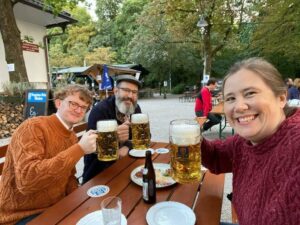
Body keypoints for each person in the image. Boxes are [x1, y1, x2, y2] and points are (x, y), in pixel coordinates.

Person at [201, 58, 300, 225]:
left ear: (281, 98)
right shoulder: (242, 142)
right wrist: (190, 138)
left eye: (250, 93)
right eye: (231, 98)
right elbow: (217, 157)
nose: (239, 106)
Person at [0, 84, 97, 225]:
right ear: (58, 103)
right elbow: (27, 181)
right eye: (73, 104)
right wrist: (79, 149)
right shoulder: (33, 127)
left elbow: (69, 176)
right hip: (20, 215)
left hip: (56, 205)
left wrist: (79, 201)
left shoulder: (71, 136)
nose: (78, 110)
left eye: (83, 107)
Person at [82, 75, 142, 184]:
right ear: (115, 91)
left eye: (134, 92)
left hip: (127, 166)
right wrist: (113, 137)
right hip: (100, 173)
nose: (130, 96)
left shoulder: (135, 108)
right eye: (126, 90)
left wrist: (127, 146)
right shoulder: (100, 110)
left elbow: (144, 137)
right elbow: (90, 147)